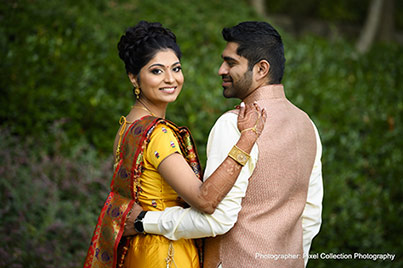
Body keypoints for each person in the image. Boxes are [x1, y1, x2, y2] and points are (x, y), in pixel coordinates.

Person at [130, 21, 323, 268]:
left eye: (231, 63)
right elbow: (310, 216)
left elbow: (217, 219)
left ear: (261, 69)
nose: (221, 70)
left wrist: (143, 222)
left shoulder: (233, 124)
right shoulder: (306, 125)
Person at [83, 21, 266, 268]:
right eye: (157, 71)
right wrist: (246, 140)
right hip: (164, 254)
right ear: (134, 78)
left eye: (176, 68)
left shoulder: (127, 125)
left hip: (139, 251)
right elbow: (206, 201)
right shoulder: (157, 133)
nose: (171, 79)